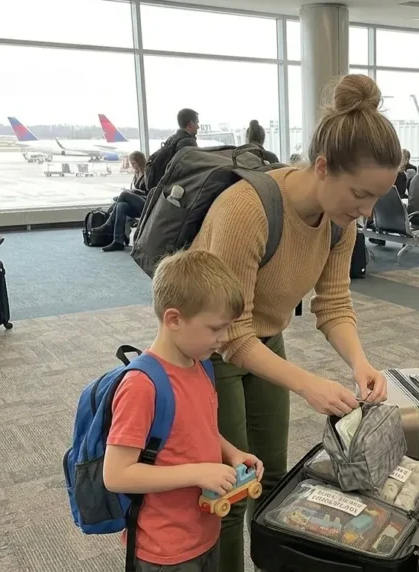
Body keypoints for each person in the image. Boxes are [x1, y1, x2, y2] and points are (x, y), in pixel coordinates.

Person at [190, 73, 399, 572]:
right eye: (360, 194)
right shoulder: (248, 209)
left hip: (263, 337)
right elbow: (230, 335)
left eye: (377, 198)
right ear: (323, 167)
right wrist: (310, 385)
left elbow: (333, 302)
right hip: (205, 351)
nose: (367, 212)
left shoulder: (339, 220)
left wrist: (359, 362)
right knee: (231, 486)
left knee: (275, 477)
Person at [103, 249, 264, 572]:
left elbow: (198, 428)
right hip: (165, 549)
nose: (223, 339)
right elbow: (116, 474)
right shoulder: (142, 386)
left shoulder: (200, 366)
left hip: (204, 532)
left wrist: (232, 453)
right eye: (215, 329)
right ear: (174, 319)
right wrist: (197, 472)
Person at [96, 151, 149, 252]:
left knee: (124, 195)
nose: (132, 166)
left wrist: (136, 192)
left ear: (139, 161)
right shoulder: (137, 173)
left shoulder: (148, 172)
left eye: (134, 163)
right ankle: (118, 241)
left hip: (146, 202)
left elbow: (151, 191)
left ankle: (108, 225)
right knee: (121, 206)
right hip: (138, 201)